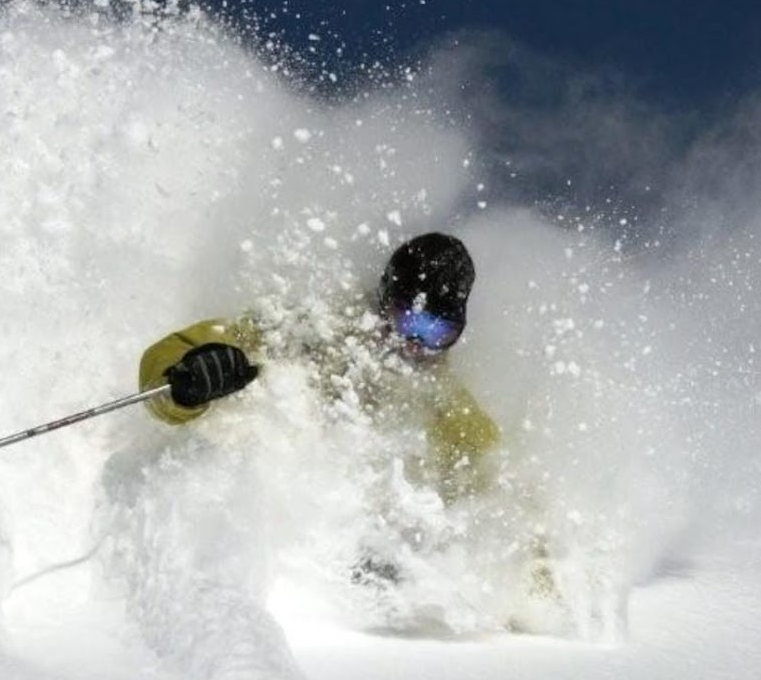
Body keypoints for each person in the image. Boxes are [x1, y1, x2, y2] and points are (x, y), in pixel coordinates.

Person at [137, 233, 509, 598]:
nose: (415, 344)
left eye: (439, 332)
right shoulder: (316, 326)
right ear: (383, 301)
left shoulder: (444, 402)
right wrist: (183, 381)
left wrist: (530, 580)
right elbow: (174, 353)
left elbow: (503, 493)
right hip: (257, 548)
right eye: (408, 320)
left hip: (359, 582)